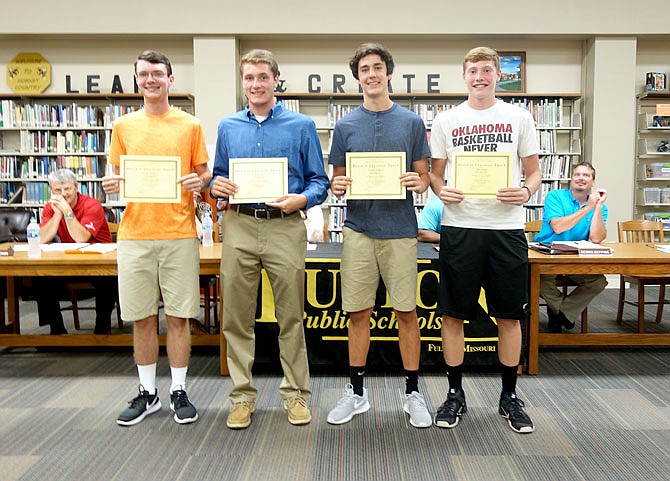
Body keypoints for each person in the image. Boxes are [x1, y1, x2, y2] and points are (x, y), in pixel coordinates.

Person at [210, 49, 329, 430]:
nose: (256, 84)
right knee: (236, 317)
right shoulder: (228, 126)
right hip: (240, 225)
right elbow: (216, 180)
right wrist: (218, 187)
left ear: (276, 80)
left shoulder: (301, 125)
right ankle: (241, 397)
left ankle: (296, 395)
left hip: (284, 225)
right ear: (242, 83)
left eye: (263, 77)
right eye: (249, 78)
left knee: (290, 315)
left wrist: (303, 199)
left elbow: (319, 182)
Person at [429, 46, 542, 434]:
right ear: (464, 76)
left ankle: (509, 396)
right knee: (453, 315)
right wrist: (442, 191)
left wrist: (526, 193)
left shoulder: (518, 116)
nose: (480, 76)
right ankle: (455, 393)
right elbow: (436, 174)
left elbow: (533, 173)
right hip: (460, 228)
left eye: (487, 70)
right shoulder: (447, 120)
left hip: (506, 229)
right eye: (473, 70)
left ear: (498, 75)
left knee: (509, 315)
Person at [102, 50, 212, 426]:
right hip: (134, 234)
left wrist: (201, 183)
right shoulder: (123, 127)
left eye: (157, 74)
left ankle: (178, 390)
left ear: (170, 79)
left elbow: (205, 178)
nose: (150, 80)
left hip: (179, 233)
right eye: (144, 74)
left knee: (180, 317)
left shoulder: (190, 125)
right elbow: (115, 177)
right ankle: (147, 393)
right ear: (137, 80)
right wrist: (111, 183)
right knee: (142, 318)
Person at [326, 43, 433, 428]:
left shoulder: (411, 123)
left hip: (401, 231)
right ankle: (356, 393)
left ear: (389, 73)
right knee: (358, 314)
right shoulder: (344, 126)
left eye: (377, 68)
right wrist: (337, 187)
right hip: (358, 230)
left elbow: (423, 179)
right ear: (358, 77)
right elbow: (335, 179)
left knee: (407, 312)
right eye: (364, 69)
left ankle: (413, 393)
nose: (371, 74)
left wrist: (415, 181)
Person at [36, 168, 116, 335]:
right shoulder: (50, 208)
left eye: (67, 189)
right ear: (52, 191)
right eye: (58, 190)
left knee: (108, 279)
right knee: (41, 278)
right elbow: (41, 239)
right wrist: (57, 214)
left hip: (98, 263)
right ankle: (56, 330)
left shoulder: (91, 205)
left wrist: (67, 212)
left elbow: (81, 237)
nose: (63, 194)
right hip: (68, 262)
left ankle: (102, 328)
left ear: (76, 188)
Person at [534, 162, 608, 333]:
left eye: (586, 175)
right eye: (577, 175)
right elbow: (558, 227)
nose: (581, 179)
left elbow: (596, 238)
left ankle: (561, 313)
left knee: (598, 281)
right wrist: (588, 207)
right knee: (540, 282)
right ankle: (564, 313)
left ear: (593, 181)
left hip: (576, 257)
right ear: (572, 178)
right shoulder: (555, 196)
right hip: (547, 253)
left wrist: (596, 208)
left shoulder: (600, 207)